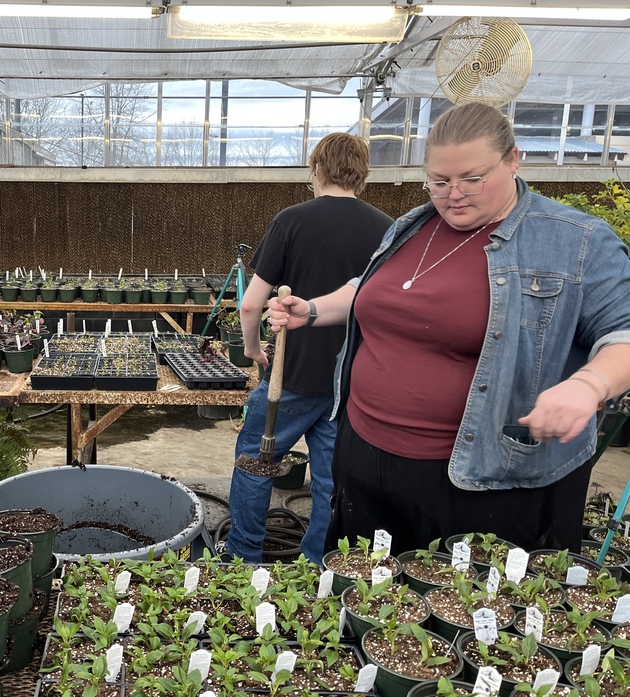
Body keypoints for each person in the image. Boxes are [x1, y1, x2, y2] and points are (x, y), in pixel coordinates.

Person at [266, 101, 630, 556]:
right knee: (367, 601)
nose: (453, 193)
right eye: (438, 181)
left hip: (482, 481)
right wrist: (314, 309)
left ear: (514, 159)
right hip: (365, 456)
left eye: (473, 179)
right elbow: (377, 288)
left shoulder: (575, 241)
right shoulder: (414, 226)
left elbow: (623, 331)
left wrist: (587, 385)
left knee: (467, 609)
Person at [224, 133, 393, 564]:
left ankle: (244, 557)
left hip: (291, 376)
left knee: (255, 463)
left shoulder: (292, 220)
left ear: (316, 168)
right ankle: (317, 565)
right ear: (363, 173)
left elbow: (249, 304)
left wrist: (255, 350)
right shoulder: (387, 229)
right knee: (330, 479)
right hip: (349, 381)